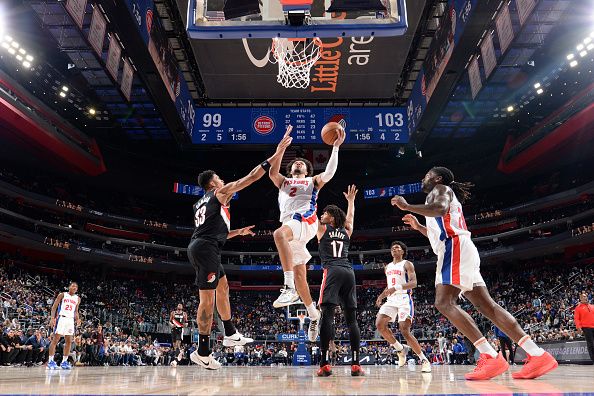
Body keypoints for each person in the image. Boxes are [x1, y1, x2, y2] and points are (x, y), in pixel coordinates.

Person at [393, 166, 557, 380]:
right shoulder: (435, 198)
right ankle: (537, 354)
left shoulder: (440, 189)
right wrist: (419, 228)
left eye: (427, 175)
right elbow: (440, 228)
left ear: (438, 178)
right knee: (487, 307)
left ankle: (490, 356)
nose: (423, 178)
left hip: (454, 248)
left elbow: (441, 210)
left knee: (444, 303)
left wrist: (406, 206)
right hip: (460, 247)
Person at [188, 130, 293, 370]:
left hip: (205, 246)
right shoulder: (219, 192)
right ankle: (202, 351)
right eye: (220, 178)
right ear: (212, 183)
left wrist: (237, 232)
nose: (223, 180)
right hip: (205, 249)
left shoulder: (200, 203)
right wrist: (277, 153)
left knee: (223, 287)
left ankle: (230, 333)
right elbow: (252, 177)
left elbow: (213, 230)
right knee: (207, 301)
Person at [269, 125, 346, 342]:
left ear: (307, 170)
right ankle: (314, 314)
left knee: (278, 235)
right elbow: (272, 172)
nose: (298, 163)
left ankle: (287, 286)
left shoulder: (312, 181)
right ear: (291, 168)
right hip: (292, 229)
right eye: (295, 163)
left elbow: (329, 173)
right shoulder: (283, 181)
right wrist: (281, 148)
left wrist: (336, 148)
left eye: (302, 163)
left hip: (304, 221)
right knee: (302, 278)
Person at [316, 185, 365, 377]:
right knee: (351, 320)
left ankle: (324, 363)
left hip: (332, 271)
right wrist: (351, 201)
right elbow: (350, 217)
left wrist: (314, 191)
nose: (321, 216)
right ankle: (355, 364)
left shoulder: (321, 230)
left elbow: (310, 209)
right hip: (348, 272)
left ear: (332, 217)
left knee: (327, 316)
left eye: (325, 213)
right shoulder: (347, 230)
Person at [375, 241, 431, 372]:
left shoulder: (407, 264)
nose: (394, 248)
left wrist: (396, 288)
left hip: (404, 298)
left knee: (404, 330)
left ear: (402, 251)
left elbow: (414, 283)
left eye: (397, 247)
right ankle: (400, 349)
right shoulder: (387, 267)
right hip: (391, 299)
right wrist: (381, 296)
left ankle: (424, 359)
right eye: (392, 247)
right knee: (379, 325)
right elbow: (389, 285)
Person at [47, 282, 81, 370]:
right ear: (69, 287)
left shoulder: (78, 298)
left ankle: (64, 361)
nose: (75, 287)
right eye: (73, 286)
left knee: (69, 341)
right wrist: (52, 318)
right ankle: (50, 361)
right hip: (61, 318)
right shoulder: (62, 295)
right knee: (56, 339)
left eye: (76, 286)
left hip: (70, 320)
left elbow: (76, 311)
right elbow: (54, 307)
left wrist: (77, 319)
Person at [574, 291, 594, 364]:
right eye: (583, 297)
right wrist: (578, 327)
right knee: (591, 344)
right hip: (586, 327)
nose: (585, 298)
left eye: (586, 296)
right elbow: (576, 318)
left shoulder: (592, 306)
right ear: (580, 299)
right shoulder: (578, 308)